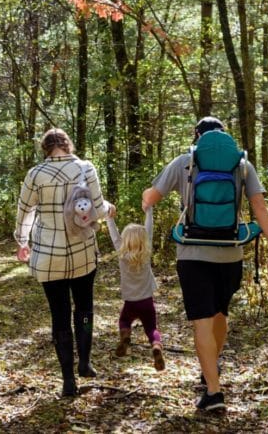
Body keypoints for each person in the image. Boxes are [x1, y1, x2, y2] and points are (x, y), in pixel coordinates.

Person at [141, 116, 268, 411]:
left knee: (201, 321)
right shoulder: (242, 165)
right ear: (225, 137)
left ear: (197, 138)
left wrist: (146, 198)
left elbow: (152, 198)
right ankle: (211, 371)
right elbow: (260, 207)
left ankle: (214, 392)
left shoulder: (184, 162)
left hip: (193, 254)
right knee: (220, 313)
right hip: (230, 253)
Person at [14, 128, 114, 397]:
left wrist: (22, 242)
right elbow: (98, 207)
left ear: (44, 148)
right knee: (84, 308)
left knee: (59, 315)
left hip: (48, 256)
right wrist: (109, 209)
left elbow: (25, 211)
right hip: (82, 252)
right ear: (67, 145)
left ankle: (68, 380)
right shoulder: (85, 168)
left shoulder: (35, 174)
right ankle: (85, 361)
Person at [106, 207, 165, 371]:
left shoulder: (122, 254)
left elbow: (114, 236)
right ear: (144, 241)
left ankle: (125, 335)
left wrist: (109, 218)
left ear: (125, 241)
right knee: (151, 328)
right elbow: (149, 230)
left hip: (130, 302)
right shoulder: (146, 254)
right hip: (147, 301)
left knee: (124, 321)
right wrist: (149, 212)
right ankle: (156, 346)